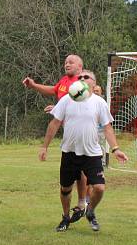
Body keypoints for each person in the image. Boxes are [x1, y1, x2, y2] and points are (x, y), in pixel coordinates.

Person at [38, 82, 129, 232]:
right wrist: (44, 146)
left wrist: (115, 149)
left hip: (91, 154)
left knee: (99, 187)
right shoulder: (67, 99)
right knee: (65, 188)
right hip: (69, 152)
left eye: (87, 77)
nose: (83, 80)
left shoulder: (99, 102)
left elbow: (107, 128)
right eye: (81, 78)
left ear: (93, 85)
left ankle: (90, 210)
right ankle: (65, 218)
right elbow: (54, 123)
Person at [23, 55, 91, 222]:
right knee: (71, 175)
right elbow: (53, 90)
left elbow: (86, 102)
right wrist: (33, 85)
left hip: (82, 133)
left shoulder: (82, 82)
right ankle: (78, 207)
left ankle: (83, 203)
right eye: (66, 62)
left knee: (81, 170)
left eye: (71, 62)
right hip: (69, 135)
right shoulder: (63, 81)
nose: (67, 64)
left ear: (80, 67)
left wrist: (60, 107)